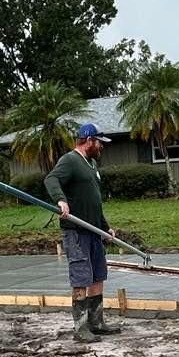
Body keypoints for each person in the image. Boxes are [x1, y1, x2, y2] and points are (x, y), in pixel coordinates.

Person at [47, 123, 122, 343]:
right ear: (89, 140)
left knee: (98, 275)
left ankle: (96, 322)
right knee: (81, 277)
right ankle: (80, 328)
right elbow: (51, 179)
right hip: (76, 232)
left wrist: (105, 226)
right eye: (99, 143)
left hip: (93, 230)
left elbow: (93, 201)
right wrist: (61, 200)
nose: (101, 147)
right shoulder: (70, 160)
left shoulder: (91, 164)